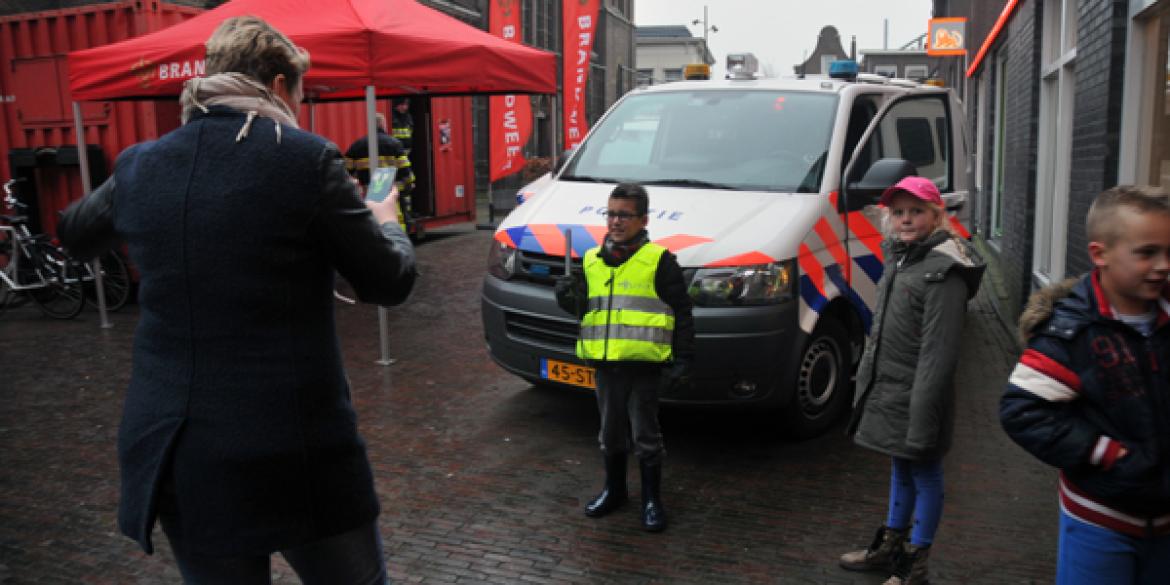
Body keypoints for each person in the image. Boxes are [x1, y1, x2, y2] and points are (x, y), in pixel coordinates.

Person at [57, 16, 415, 584]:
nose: (300, 106)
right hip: (296, 452)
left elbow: (75, 233)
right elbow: (389, 280)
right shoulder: (304, 159)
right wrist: (388, 221)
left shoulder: (140, 163)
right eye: (300, 93)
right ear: (277, 86)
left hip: (180, 451)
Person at [1000, 185, 1170, 585]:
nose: (1163, 265)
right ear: (1100, 254)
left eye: (1169, 251)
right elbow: (1022, 411)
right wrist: (1105, 452)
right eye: (1147, 253)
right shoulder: (1071, 335)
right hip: (1101, 520)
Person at [841, 176, 984, 585]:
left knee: (925, 472)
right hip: (893, 391)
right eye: (899, 212)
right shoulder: (902, 257)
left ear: (936, 215)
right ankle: (890, 547)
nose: (906, 219)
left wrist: (924, 413)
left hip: (920, 396)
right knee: (900, 468)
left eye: (916, 211)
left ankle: (914, 563)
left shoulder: (944, 271)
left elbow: (938, 354)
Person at [554, 182, 695, 532]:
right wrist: (568, 298)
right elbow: (586, 311)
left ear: (643, 220)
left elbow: (683, 313)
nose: (616, 221)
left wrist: (683, 359)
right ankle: (614, 491)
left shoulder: (659, 261)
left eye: (624, 215)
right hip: (605, 366)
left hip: (643, 366)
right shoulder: (591, 260)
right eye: (611, 213)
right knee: (610, 432)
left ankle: (651, 499)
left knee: (646, 435)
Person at [344, 112, 408, 229]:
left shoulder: (357, 146)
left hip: (367, 194)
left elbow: (345, 171)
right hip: (390, 193)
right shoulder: (395, 144)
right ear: (383, 125)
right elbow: (405, 171)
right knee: (395, 223)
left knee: (372, 225)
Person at [390, 97, 417, 216]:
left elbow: (410, 133)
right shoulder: (391, 117)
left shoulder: (408, 118)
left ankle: (407, 212)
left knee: (408, 183)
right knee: (401, 183)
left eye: (406, 105)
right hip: (395, 157)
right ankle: (400, 212)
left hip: (406, 155)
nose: (404, 107)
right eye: (402, 105)